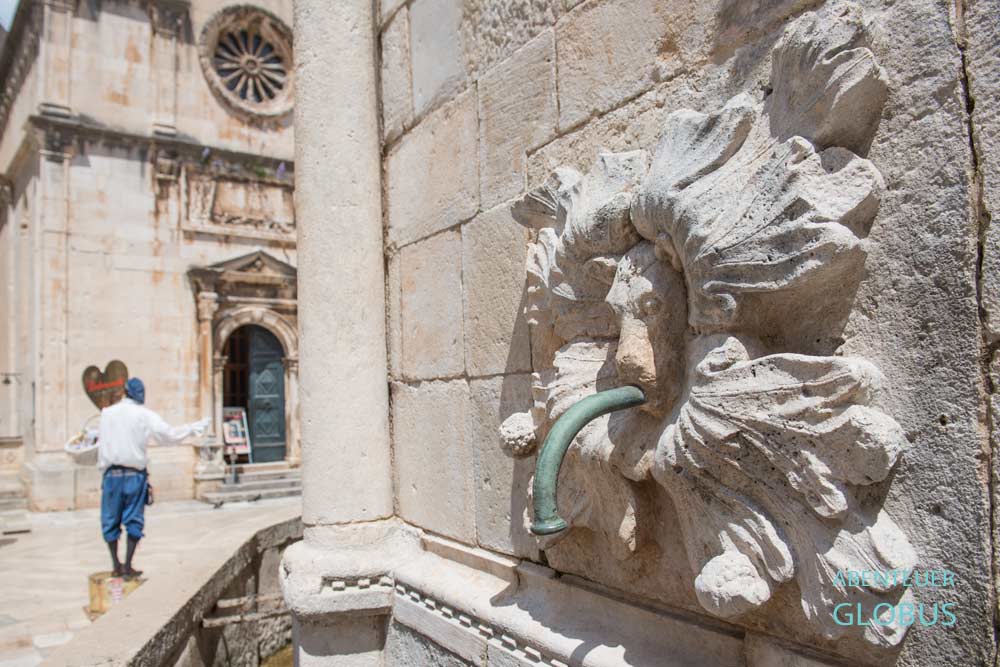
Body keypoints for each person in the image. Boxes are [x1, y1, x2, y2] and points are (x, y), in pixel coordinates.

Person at [97, 377, 208, 578]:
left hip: (111, 475)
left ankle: (116, 564)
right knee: (133, 520)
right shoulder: (144, 415)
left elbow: (100, 443)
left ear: (125, 391)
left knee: (110, 519)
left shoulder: (107, 414)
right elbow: (169, 435)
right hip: (134, 476)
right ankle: (128, 565)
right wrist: (192, 428)